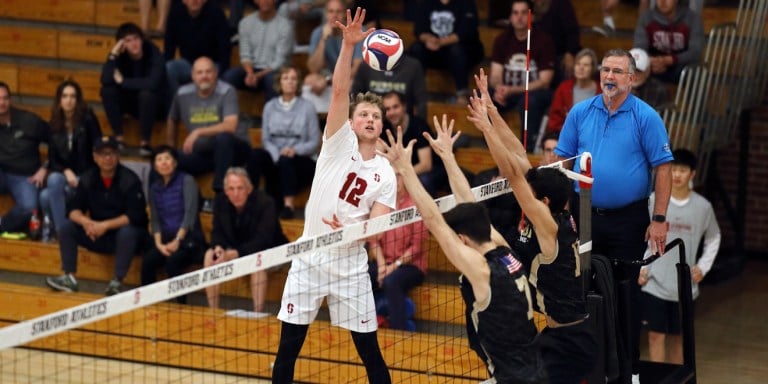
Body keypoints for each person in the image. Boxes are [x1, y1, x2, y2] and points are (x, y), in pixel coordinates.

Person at [273, 8, 395, 384]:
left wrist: (349, 230)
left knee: (370, 352)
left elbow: (376, 226)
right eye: (364, 115)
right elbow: (340, 89)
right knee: (288, 348)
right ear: (351, 121)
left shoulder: (386, 172)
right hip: (309, 258)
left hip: (350, 265)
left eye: (376, 116)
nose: (371, 119)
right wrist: (348, 45)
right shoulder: (336, 143)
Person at [378, 115, 546, 383]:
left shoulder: (481, 269)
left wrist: (406, 170)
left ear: (464, 240)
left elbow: (434, 221)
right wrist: (447, 157)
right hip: (532, 368)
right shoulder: (504, 250)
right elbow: (469, 201)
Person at [467, 69, 597, 383]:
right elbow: (519, 157)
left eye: (532, 195)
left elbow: (512, 175)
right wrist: (493, 111)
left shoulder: (550, 226)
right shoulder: (549, 205)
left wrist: (486, 130)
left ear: (545, 203)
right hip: (554, 333)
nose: (525, 196)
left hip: (571, 342)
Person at [555, 48, 673, 382]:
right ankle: (589, 369)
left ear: (631, 79)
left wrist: (659, 219)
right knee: (582, 291)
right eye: (605, 70)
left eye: (617, 71)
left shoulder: (646, 116)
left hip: (627, 220)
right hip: (584, 214)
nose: (609, 76)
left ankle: (629, 371)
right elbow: (562, 162)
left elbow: (663, 169)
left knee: (624, 294)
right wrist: (562, 214)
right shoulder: (580, 112)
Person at [638, 148, 720, 364]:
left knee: (679, 339)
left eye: (682, 170)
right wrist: (641, 268)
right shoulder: (653, 200)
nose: (676, 175)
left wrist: (702, 267)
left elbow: (714, 238)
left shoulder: (703, 207)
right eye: (673, 169)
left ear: (692, 174)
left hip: (684, 288)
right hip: (654, 283)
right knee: (655, 337)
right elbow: (640, 237)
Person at [45, 136, 149, 296]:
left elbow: (135, 215)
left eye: (112, 153)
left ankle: (117, 281)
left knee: (128, 231)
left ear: (118, 156)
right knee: (67, 227)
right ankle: (69, 278)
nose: (107, 158)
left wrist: (104, 225)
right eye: (103, 154)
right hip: (95, 233)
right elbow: (72, 209)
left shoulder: (130, 180)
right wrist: (87, 223)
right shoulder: (88, 178)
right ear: (95, 157)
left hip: (122, 237)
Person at [203, 167, 286, 312]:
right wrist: (218, 247)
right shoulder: (221, 201)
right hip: (238, 250)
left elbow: (263, 239)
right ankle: (213, 312)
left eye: (240, 188)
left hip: (271, 251)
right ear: (226, 190)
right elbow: (217, 231)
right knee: (210, 256)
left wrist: (234, 254)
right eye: (231, 189)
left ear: (249, 188)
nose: (235, 193)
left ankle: (257, 314)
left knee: (257, 262)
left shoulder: (266, 203)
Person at [167, 56, 251, 194]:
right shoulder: (182, 93)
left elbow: (230, 126)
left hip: (234, 150)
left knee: (223, 138)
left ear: (216, 73)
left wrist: (198, 132)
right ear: (193, 76)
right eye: (199, 73)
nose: (204, 76)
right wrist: (170, 149)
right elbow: (172, 118)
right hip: (203, 153)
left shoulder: (227, 91)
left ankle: (220, 193)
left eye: (208, 72)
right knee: (165, 159)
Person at [246, 65, 321, 219]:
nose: (290, 82)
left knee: (287, 160)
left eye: (294, 79)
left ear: (298, 83)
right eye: (286, 78)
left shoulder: (307, 107)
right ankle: (249, 201)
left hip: (301, 161)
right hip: (277, 158)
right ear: (279, 82)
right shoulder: (269, 107)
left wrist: (295, 150)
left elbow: (314, 142)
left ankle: (289, 206)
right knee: (255, 154)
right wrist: (276, 156)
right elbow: (266, 139)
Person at [141, 146, 206, 303]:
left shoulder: (187, 181)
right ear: (155, 165)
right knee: (148, 262)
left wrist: (178, 240)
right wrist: (158, 244)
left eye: (167, 158)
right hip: (165, 240)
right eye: (159, 159)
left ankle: (182, 306)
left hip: (189, 239)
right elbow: (155, 219)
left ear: (175, 163)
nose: (164, 163)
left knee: (172, 263)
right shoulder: (154, 188)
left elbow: (190, 214)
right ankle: (148, 305)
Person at [490, 0, 555, 151]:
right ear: (510, 17)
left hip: (534, 93)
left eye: (524, 12)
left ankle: (527, 148)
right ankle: (493, 144)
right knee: (483, 96)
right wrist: (499, 88)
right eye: (515, 13)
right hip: (508, 93)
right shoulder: (501, 40)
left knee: (528, 101)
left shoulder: (544, 41)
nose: (519, 17)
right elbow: (495, 74)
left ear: (531, 16)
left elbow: (545, 81)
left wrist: (512, 90)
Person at [366, 173, 428, 331]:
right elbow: (373, 239)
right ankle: (363, 326)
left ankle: (399, 333)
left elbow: (417, 247)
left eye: (399, 176)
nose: (395, 180)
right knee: (360, 274)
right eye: (392, 176)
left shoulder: (416, 205)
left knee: (391, 281)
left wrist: (393, 266)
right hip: (384, 262)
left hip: (411, 265)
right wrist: (381, 266)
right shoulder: (382, 204)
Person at [41, 80, 102, 236]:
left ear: (78, 100)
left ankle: (60, 231)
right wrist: (66, 171)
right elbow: (53, 160)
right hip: (64, 178)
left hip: (86, 176)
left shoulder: (88, 120)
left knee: (45, 197)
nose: (69, 100)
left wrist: (84, 177)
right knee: (53, 181)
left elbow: (98, 149)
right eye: (65, 96)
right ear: (59, 100)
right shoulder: (53, 125)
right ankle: (64, 232)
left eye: (73, 96)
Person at [100, 22, 167, 154]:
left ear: (142, 39)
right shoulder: (120, 56)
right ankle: (119, 139)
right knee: (107, 91)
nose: (133, 43)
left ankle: (145, 143)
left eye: (136, 38)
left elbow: (153, 83)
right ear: (122, 44)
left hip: (155, 105)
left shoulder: (155, 54)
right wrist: (113, 54)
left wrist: (124, 82)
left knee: (147, 94)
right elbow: (106, 80)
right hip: (131, 103)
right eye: (128, 41)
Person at [409, 0, 484, 104]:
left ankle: (462, 94)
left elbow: (466, 33)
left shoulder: (466, 3)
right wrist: (428, 39)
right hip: (434, 50)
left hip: (461, 52)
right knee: (416, 48)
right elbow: (419, 31)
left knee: (457, 50)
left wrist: (440, 42)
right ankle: (414, 92)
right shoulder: (425, 3)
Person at [222, 0, 295, 103]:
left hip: (274, 70)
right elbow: (245, 54)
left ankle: (272, 117)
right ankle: (229, 116)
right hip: (252, 69)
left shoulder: (285, 26)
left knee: (272, 79)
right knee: (229, 77)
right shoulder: (245, 23)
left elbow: (279, 62)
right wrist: (250, 74)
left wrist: (258, 76)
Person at [0, 82, 49, 233]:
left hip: (24, 176)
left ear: (11, 100)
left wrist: (45, 168)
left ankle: (2, 225)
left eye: (5, 98)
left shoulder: (30, 121)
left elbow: (57, 143)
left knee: (30, 207)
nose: (1, 103)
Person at [302, 0, 363, 113]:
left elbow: (356, 69)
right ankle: (316, 121)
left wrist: (329, 80)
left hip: (348, 77)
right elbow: (313, 68)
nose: (334, 15)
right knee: (309, 79)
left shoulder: (356, 31)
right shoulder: (318, 32)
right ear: (325, 14)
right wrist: (323, 39)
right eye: (330, 11)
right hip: (329, 76)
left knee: (349, 84)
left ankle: (342, 119)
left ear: (345, 13)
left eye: (338, 11)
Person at [164, 0, 231, 96]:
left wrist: (221, 70)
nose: (194, 1)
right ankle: (178, 103)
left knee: (209, 73)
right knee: (168, 68)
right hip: (188, 64)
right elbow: (169, 44)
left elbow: (225, 45)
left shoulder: (216, 12)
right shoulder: (176, 12)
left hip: (212, 63)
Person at [633, 0, 705, 84]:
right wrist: (650, 61)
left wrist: (670, 60)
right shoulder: (646, 17)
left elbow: (695, 51)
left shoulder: (692, 18)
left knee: (697, 73)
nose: (663, 2)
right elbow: (640, 47)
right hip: (653, 66)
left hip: (681, 66)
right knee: (636, 68)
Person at [380, 92, 435, 194]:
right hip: (400, 171)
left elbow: (426, 165)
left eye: (395, 107)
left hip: (422, 171)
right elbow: (378, 156)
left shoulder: (419, 126)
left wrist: (401, 173)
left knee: (424, 180)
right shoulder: (384, 127)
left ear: (404, 106)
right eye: (387, 109)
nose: (392, 112)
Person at [352, 53, 428, 118]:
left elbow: (421, 101)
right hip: (372, 120)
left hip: (404, 123)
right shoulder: (365, 66)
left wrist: (418, 124)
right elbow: (355, 97)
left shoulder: (413, 66)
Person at [547, 48, 602, 134]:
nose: (581, 68)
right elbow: (554, 119)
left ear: (593, 68)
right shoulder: (563, 88)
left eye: (586, 65)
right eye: (578, 64)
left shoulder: (601, 92)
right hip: (566, 136)